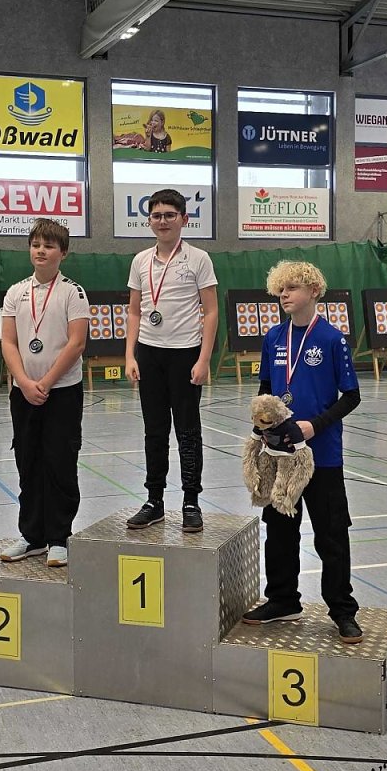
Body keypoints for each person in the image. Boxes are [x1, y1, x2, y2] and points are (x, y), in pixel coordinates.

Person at [242, 260, 363, 644]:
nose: (284, 295)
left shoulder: (332, 339)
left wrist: (316, 425)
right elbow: (266, 389)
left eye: (292, 288)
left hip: (322, 455)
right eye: (280, 289)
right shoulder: (274, 337)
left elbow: (352, 396)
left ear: (313, 291)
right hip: (280, 456)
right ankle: (282, 599)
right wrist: (261, 428)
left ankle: (342, 610)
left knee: (331, 534)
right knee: (279, 531)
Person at [125, 188, 218, 532]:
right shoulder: (140, 261)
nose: (162, 221)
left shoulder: (199, 259)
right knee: (154, 430)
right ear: (149, 220)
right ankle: (154, 501)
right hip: (149, 354)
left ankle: (191, 501)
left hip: (186, 354)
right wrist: (130, 355)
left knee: (188, 431)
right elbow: (134, 312)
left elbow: (211, 311)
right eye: (156, 215)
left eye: (169, 215)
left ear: (184, 219)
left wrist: (204, 359)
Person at [0, 218, 89, 568]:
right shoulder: (15, 292)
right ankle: (32, 536)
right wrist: (23, 381)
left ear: (62, 253)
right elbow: (8, 341)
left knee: (60, 463)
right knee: (29, 463)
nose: (41, 251)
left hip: (61, 393)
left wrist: (47, 382)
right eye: (36, 245)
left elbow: (76, 343)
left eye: (49, 246)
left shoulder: (73, 292)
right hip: (24, 394)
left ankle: (59, 537)